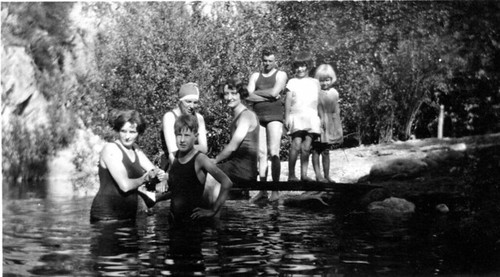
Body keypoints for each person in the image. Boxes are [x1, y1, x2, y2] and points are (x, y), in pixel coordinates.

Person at [90, 110, 167, 222]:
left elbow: (153, 170)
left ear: (139, 133)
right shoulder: (111, 149)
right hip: (106, 217)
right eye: (123, 131)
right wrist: (145, 178)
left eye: (132, 132)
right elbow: (125, 186)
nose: (127, 136)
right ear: (118, 131)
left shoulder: (135, 148)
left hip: (128, 216)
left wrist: (159, 175)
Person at [167, 114, 233, 225]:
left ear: (196, 136)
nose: (182, 140)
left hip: (193, 224)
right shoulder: (173, 157)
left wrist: (213, 211)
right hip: (174, 221)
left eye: (187, 135)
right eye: (179, 135)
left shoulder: (200, 159)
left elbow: (227, 182)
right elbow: (178, 189)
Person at [246, 47, 287, 202]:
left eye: (271, 61)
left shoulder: (281, 74)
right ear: (261, 60)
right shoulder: (255, 75)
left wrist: (260, 94)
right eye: (265, 61)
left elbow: (275, 92)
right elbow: (248, 96)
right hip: (258, 116)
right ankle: (263, 190)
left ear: (275, 61)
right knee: (261, 154)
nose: (267, 64)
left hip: (275, 116)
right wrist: (269, 96)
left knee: (274, 152)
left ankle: (275, 191)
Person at [213, 75, 259, 198]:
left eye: (233, 94)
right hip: (236, 167)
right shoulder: (237, 116)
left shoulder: (246, 116)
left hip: (242, 170)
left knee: (207, 171)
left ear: (241, 94)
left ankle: (210, 210)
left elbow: (233, 146)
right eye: (226, 94)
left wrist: (215, 161)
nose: (229, 98)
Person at [284, 51, 321, 182]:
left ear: (308, 66)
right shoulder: (292, 82)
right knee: (296, 144)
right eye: (297, 66)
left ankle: (304, 175)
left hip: (311, 116)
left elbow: (319, 101)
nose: (300, 69)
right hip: (297, 116)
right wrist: (287, 117)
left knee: (306, 147)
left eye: (303, 66)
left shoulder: (315, 82)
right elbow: (288, 101)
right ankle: (291, 175)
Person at [161, 82, 208, 171]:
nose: (192, 106)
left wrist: (182, 146)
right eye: (188, 102)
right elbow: (173, 151)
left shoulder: (199, 118)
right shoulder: (170, 117)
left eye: (195, 102)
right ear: (180, 101)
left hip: (195, 163)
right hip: (172, 164)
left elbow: (204, 148)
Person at [312, 64, 343, 182]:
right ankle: (318, 175)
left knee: (326, 150)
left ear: (332, 79)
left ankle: (327, 175)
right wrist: (319, 122)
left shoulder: (334, 92)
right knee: (316, 150)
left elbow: (336, 110)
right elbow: (315, 108)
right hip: (319, 122)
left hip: (330, 123)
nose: (324, 83)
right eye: (321, 80)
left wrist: (337, 127)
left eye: (327, 80)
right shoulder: (316, 92)